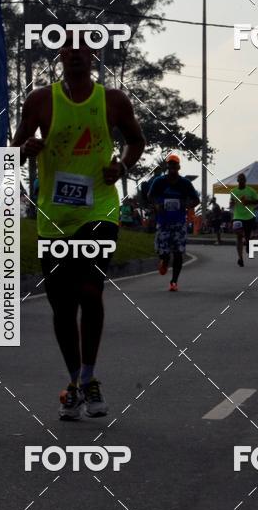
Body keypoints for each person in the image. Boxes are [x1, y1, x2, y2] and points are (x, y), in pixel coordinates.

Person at [12, 29, 145, 420]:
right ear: (59, 55)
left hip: (99, 210)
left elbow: (135, 141)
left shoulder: (114, 100)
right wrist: (26, 149)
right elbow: (11, 152)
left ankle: (88, 378)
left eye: (84, 47)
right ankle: (76, 382)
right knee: (62, 305)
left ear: (95, 56)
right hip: (54, 217)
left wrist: (123, 165)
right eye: (68, 47)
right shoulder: (40, 100)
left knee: (90, 288)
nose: (75, 53)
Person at [148, 154, 199, 291]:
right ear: (167, 166)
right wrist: (157, 206)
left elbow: (196, 200)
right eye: (170, 164)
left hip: (179, 222)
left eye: (174, 165)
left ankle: (174, 282)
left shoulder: (185, 183)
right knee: (163, 252)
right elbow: (150, 196)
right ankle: (164, 261)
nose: (172, 167)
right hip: (163, 222)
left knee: (178, 253)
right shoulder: (159, 181)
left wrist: (186, 205)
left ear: (178, 167)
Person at [230, 172, 258, 267]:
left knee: (248, 236)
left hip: (249, 216)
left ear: (245, 181)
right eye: (240, 180)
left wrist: (249, 202)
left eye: (243, 180)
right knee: (239, 236)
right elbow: (231, 203)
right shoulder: (233, 191)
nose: (241, 181)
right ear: (238, 181)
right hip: (237, 216)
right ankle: (240, 258)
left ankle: (248, 244)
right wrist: (232, 205)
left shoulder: (251, 191)